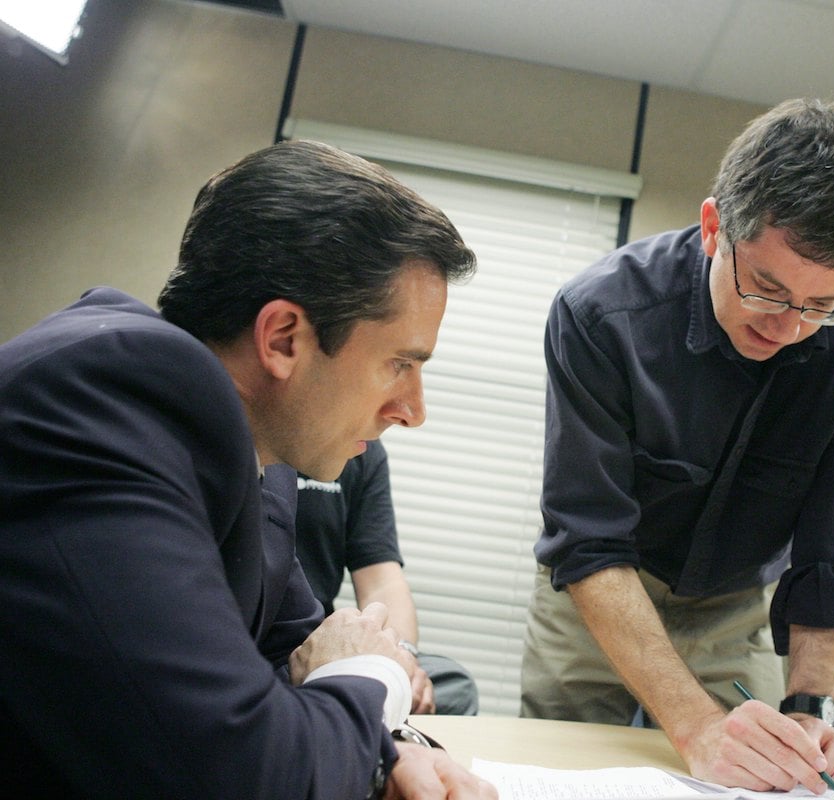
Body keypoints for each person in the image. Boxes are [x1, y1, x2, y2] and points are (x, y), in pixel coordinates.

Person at [0, 139, 496, 800]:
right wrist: (373, 676)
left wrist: (395, 752)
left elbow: (291, 649)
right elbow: (241, 772)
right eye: (400, 364)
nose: (412, 410)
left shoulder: (247, 455)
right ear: (284, 338)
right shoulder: (108, 395)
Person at [521, 98, 834, 796]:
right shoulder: (601, 315)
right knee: (566, 775)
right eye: (765, 288)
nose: (788, 326)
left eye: (821, 305)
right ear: (714, 227)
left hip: (736, 598)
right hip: (606, 591)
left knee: (768, 775)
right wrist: (695, 726)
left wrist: (810, 709)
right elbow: (588, 542)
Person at [296, 438, 480, 715]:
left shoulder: (360, 446)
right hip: (266, 647)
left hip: (323, 638)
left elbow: (381, 582)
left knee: (452, 687)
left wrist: (399, 658)